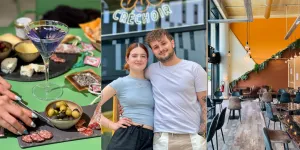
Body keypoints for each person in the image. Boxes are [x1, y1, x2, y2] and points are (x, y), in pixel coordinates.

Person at [144, 28, 207, 150]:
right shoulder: (150, 71)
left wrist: (203, 129)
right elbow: (134, 82)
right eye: (156, 47)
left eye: (163, 43)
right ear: (153, 51)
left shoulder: (194, 69)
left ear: (172, 43)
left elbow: (204, 102)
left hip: (193, 136)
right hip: (163, 138)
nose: (161, 49)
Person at [98, 43, 154, 150]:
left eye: (143, 56)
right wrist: (112, 125)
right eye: (134, 56)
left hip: (150, 139)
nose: (139, 59)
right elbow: (95, 108)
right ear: (127, 59)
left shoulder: (153, 83)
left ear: (147, 60)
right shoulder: (120, 83)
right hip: (127, 135)